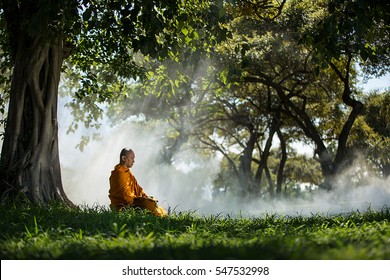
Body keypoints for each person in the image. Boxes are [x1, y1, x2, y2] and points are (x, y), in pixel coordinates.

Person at [108, 148, 167, 217]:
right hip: (122, 206)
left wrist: (145, 197)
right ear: (124, 158)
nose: (134, 161)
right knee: (148, 204)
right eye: (132, 158)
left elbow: (138, 189)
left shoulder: (128, 173)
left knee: (151, 201)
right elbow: (124, 196)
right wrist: (138, 201)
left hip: (133, 201)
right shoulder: (119, 173)